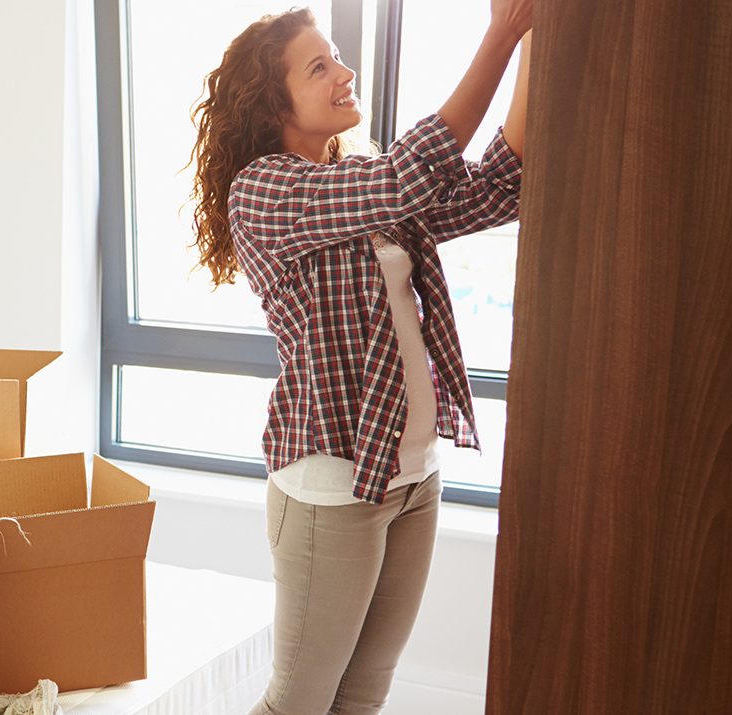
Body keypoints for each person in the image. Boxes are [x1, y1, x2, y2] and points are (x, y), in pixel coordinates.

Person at [187, 1, 533, 713]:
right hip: (331, 489)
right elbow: (409, 178)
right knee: (300, 701)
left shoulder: (361, 184)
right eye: (319, 66)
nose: (344, 73)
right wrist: (497, 35)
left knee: (363, 696)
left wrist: (533, 32)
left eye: (338, 56)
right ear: (272, 99)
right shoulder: (264, 193)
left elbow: (502, 186)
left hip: (413, 477)